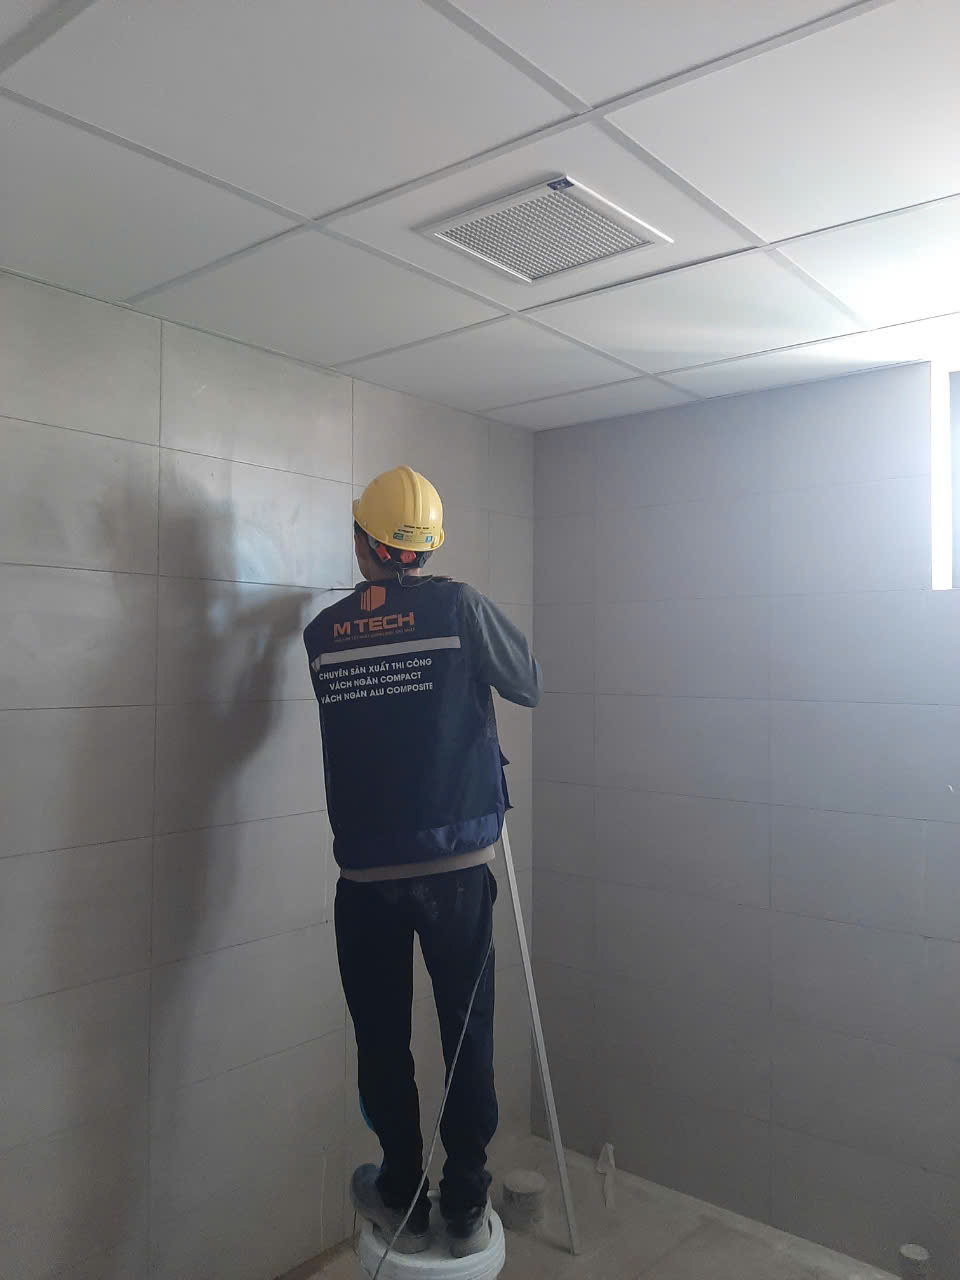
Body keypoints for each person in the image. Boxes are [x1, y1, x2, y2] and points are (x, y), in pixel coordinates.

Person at [303, 465, 542, 1258]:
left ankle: (401, 1189)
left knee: (382, 1040)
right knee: (467, 1035)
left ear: (364, 542)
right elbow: (529, 683)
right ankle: (465, 1204)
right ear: (427, 546)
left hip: (364, 878)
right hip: (456, 871)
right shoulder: (460, 607)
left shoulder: (322, 634)